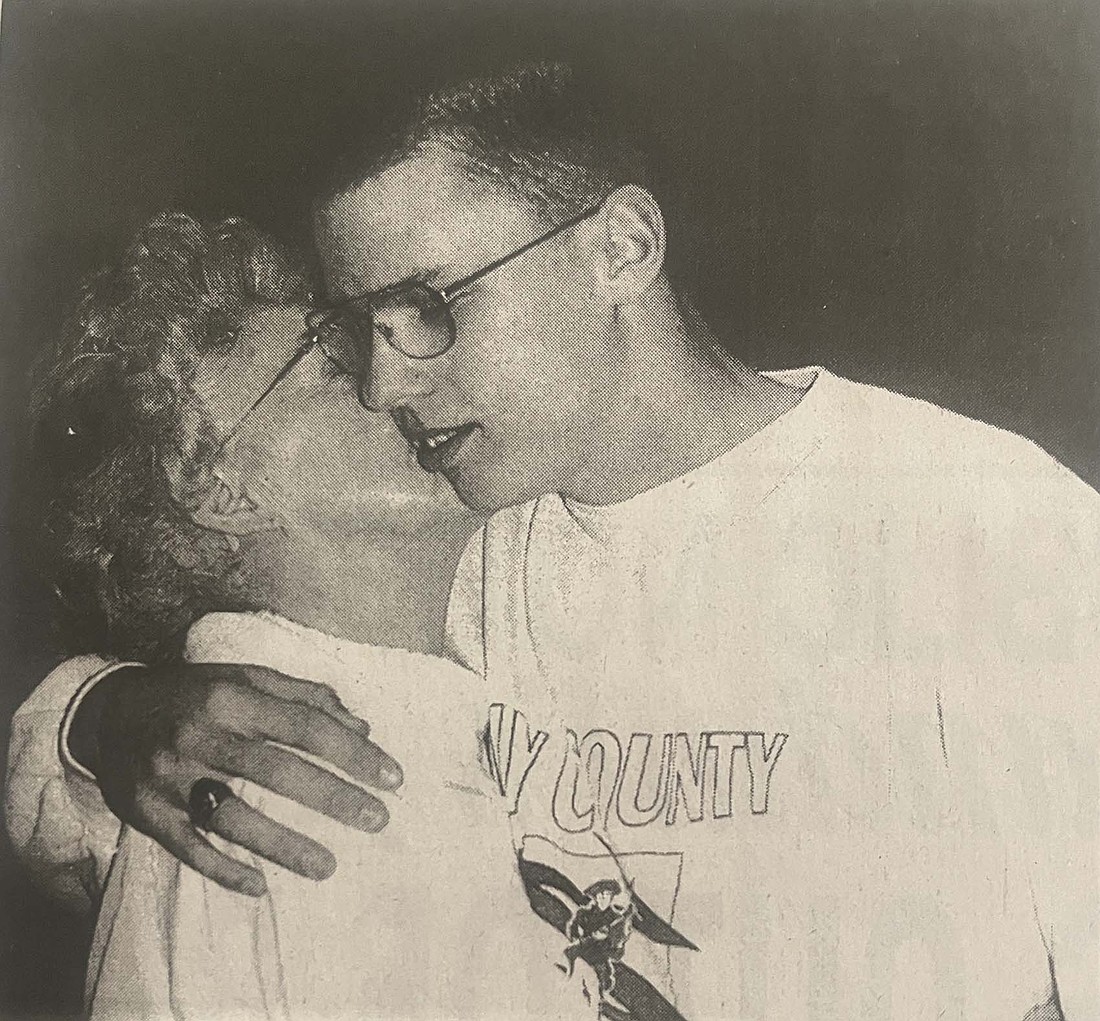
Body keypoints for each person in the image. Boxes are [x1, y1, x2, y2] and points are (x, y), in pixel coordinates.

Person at [8, 61, 1098, 1019]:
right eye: (357, 334)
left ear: (620, 246)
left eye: (430, 304)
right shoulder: (465, 558)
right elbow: (85, 821)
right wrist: (100, 711)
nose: (388, 384)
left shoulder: (985, 529)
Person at [14, 211, 577, 1019]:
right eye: (329, 359)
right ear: (221, 493)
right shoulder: (286, 793)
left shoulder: (457, 663)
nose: (390, 383)